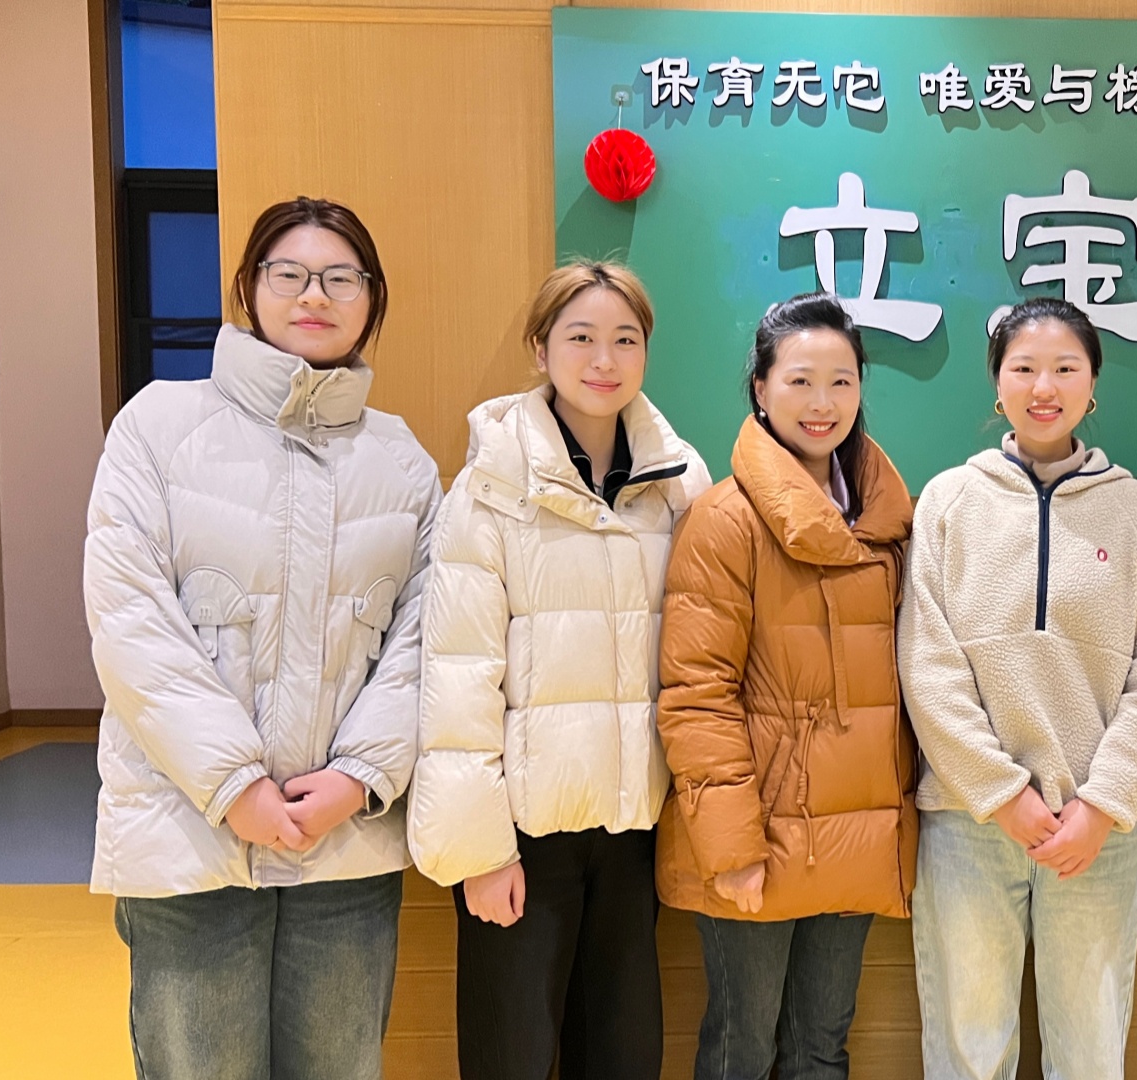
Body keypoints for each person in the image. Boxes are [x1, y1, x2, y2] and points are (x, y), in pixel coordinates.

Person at [83, 197, 440, 1079]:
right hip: (188, 832)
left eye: (341, 277)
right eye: (290, 273)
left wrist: (358, 778)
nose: (314, 295)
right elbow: (131, 622)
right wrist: (235, 785)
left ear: (372, 298)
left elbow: (427, 641)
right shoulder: (157, 427)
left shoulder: (403, 462)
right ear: (249, 287)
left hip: (344, 847)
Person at [409, 261, 711, 1080]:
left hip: (634, 829)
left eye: (625, 339)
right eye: (580, 337)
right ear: (541, 350)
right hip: (520, 838)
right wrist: (479, 853)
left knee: (622, 1055)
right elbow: (458, 674)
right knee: (512, 1057)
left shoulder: (680, 485)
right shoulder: (489, 488)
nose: (603, 359)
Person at [899, 296, 1137, 1080]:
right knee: (969, 1051)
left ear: (1094, 385)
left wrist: (1102, 803)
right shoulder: (950, 500)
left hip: (1098, 832)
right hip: (968, 821)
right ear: (998, 385)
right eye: (1023, 368)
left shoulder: (1134, 510)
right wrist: (1000, 792)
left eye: (1065, 367)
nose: (1044, 387)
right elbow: (927, 665)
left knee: (1090, 1054)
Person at [654, 293, 917, 1080]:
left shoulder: (886, 521)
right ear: (761, 389)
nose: (821, 402)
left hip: (855, 835)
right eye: (800, 380)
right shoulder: (725, 520)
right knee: (741, 1050)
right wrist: (731, 848)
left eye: (842, 381)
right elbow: (697, 693)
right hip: (759, 834)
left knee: (820, 1050)